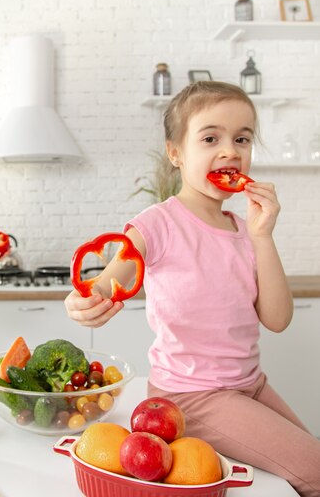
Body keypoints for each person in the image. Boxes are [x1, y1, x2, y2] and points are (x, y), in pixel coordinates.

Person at [65, 82, 320, 496]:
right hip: (191, 396)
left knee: (308, 468)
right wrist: (80, 300)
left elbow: (277, 319)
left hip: (250, 384)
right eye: (210, 138)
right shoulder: (157, 224)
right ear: (176, 153)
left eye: (242, 138)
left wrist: (263, 236)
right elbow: (106, 283)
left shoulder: (245, 230)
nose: (230, 151)